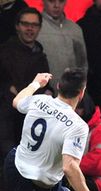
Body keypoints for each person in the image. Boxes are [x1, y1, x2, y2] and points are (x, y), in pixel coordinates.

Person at [1, 69, 99, 191]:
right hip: (38, 182)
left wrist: (35, 83)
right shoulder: (78, 125)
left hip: (13, 166)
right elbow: (69, 167)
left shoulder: (40, 100)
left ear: (58, 86)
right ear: (81, 93)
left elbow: (17, 101)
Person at [0, 7, 50, 177]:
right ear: (17, 26)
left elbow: (45, 84)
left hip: (31, 119)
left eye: (34, 25)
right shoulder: (4, 51)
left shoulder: (40, 55)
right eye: (26, 24)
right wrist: (8, 88)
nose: (30, 28)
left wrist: (48, 92)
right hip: (6, 115)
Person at [37, 0, 88, 95]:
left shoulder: (75, 29)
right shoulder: (35, 27)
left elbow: (82, 65)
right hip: (42, 94)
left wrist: (82, 94)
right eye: (51, 1)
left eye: (61, 1)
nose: (56, 5)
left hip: (70, 94)